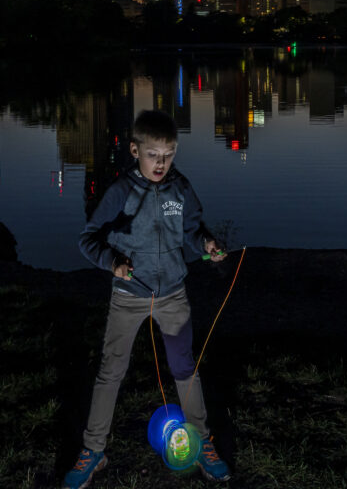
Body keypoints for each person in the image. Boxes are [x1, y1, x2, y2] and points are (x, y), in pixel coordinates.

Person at [62, 110, 232, 488]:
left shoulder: (181, 187)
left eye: (169, 154)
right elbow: (88, 239)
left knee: (186, 369)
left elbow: (192, 230)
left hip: (173, 294)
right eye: (153, 154)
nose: (161, 163)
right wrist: (113, 262)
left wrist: (206, 243)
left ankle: (203, 443)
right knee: (110, 372)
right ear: (134, 149)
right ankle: (93, 451)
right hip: (128, 296)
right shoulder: (120, 191)